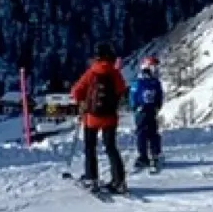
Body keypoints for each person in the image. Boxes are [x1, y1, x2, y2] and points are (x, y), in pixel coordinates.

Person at [70, 45, 128, 193]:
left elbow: (76, 92)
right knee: (111, 148)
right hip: (110, 117)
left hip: (91, 117)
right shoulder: (115, 73)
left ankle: (92, 178)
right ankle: (119, 181)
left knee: (90, 147)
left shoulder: (91, 72)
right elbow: (122, 91)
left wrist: (82, 103)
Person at [131, 54, 164, 173]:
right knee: (143, 134)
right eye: (153, 67)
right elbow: (133, 96)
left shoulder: (155, 82)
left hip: (150, 110)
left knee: (152, 133)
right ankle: (144, 156)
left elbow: (159, 96)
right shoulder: (140, 82)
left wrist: (157, 106)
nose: (155, 70)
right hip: (142, 110)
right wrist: (136, 107)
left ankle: (155, 154)